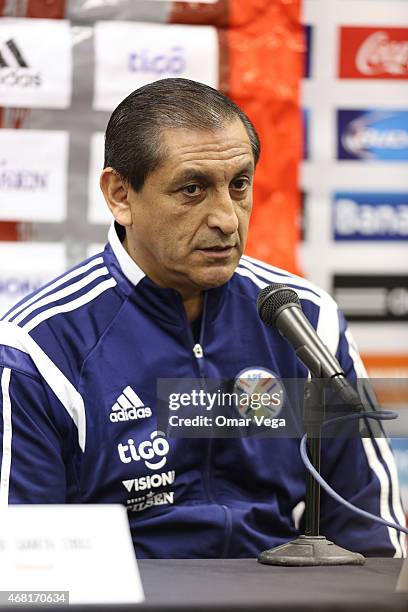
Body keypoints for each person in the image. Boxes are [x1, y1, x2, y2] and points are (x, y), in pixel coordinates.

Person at [0, 78, 405, 558]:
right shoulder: (40, 348)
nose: (228, 219)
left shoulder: (306, 320)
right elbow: (24, 570)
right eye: (193, 189)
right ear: (120, 195)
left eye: (239, 185)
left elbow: (371, 533)